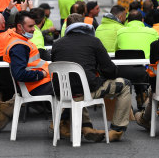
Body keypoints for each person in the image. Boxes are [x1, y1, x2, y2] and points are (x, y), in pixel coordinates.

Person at [4, 11, 104, 141]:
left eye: (34, 26)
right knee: (75, 88)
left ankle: (74, 125)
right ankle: (67, 124)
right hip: (36, 86)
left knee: (72, 86)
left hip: (39, 84)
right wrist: (42, 74)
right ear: (19, 27)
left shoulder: (20, 41)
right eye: (30, 27)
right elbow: (19, 74)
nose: (33, 30)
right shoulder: (19, 46)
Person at [51, 13, 133, 142]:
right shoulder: (94, 42)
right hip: (86, 91)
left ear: (66, 26)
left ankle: (87, 127)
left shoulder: (57, 44)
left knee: (78, 86)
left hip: (62, 93)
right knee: (125, 84)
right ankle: (117, 130)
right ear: (84, 24)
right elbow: (110, 70)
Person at [114, 10, 156, 108]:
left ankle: (129, 102)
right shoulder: (152, 32)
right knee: (141, 68)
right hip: (144, 73)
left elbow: (116, 50)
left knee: (134, 66)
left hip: (123, 72)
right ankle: (142, 95)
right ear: (142, 20)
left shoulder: (120, 32)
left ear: (128, 21)